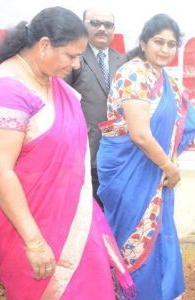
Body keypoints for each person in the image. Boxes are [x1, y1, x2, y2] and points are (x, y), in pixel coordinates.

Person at [0, 7, 133, 300]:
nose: (76, 64)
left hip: (76, 225)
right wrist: (35, 243)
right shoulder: (5, 92)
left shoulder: (52, 83)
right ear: (45, 45)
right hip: (37, 234)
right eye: (72, 55)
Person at [96, 13, 195, 300]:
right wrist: (170, 166)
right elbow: (140, 134)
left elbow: (179, 126)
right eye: (159, 41)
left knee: (157, 241)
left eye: (172, 43)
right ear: (144, 42)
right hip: (128, 173)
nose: (165, 48)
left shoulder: (168, 81)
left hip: (154, 173)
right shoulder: (132, 74)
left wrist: (168, 164)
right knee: (130, 240)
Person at [64, 8, 125, 206]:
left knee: (111, 214)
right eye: (95, 23)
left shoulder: (124, 62)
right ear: (83, 25)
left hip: (116, 155)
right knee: (87, 214)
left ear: (114, 30)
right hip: (82, 152)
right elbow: (61, 100)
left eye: (108, 25)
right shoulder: (73, 59)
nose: (102, 29)